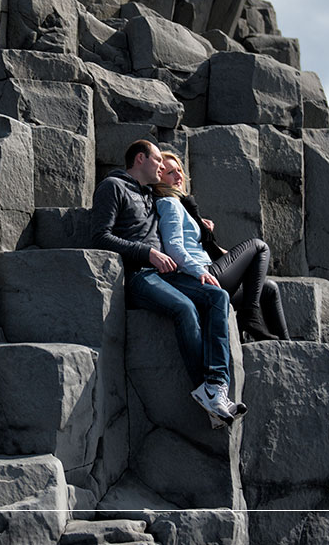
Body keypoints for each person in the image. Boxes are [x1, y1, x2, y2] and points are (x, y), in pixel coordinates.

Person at [90, 139, 244, 427]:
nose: (162, 167)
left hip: (166, 273)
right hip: (138, 275)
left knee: (217, 297)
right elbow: (99, 236)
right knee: (185, 308)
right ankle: (209, 394)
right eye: (158, 160)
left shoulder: (150, 194)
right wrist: (146, 252)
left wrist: (200, 225)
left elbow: (176, 213)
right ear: (139, 159)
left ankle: (216, 385)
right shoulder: (112, 187)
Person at [153, 151, 290, 343]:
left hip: (208, 270)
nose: (178, 176)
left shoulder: (181, 205)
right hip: (202, 274)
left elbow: (202, 246)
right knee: (259, 246)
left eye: (179, 170)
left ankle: (286, 345)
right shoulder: (169, 203)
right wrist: (198, 271)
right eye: (170, 173)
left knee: (269, 288)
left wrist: (201, 227)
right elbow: (173, 246)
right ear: (158, 178)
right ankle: (249, 317)